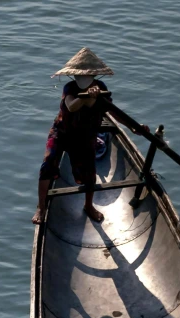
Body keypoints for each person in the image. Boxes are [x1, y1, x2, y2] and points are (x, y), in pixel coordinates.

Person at [35, 48, 116, 227]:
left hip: (85, 135)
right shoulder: (69, 88)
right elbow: (71, 106)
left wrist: (136, 128)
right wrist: (86, 97)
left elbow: (112, 111)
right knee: (48, 165)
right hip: (62, 131)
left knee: (89, 172)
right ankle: (41, 207)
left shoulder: (101, 89)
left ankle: (88, 206)